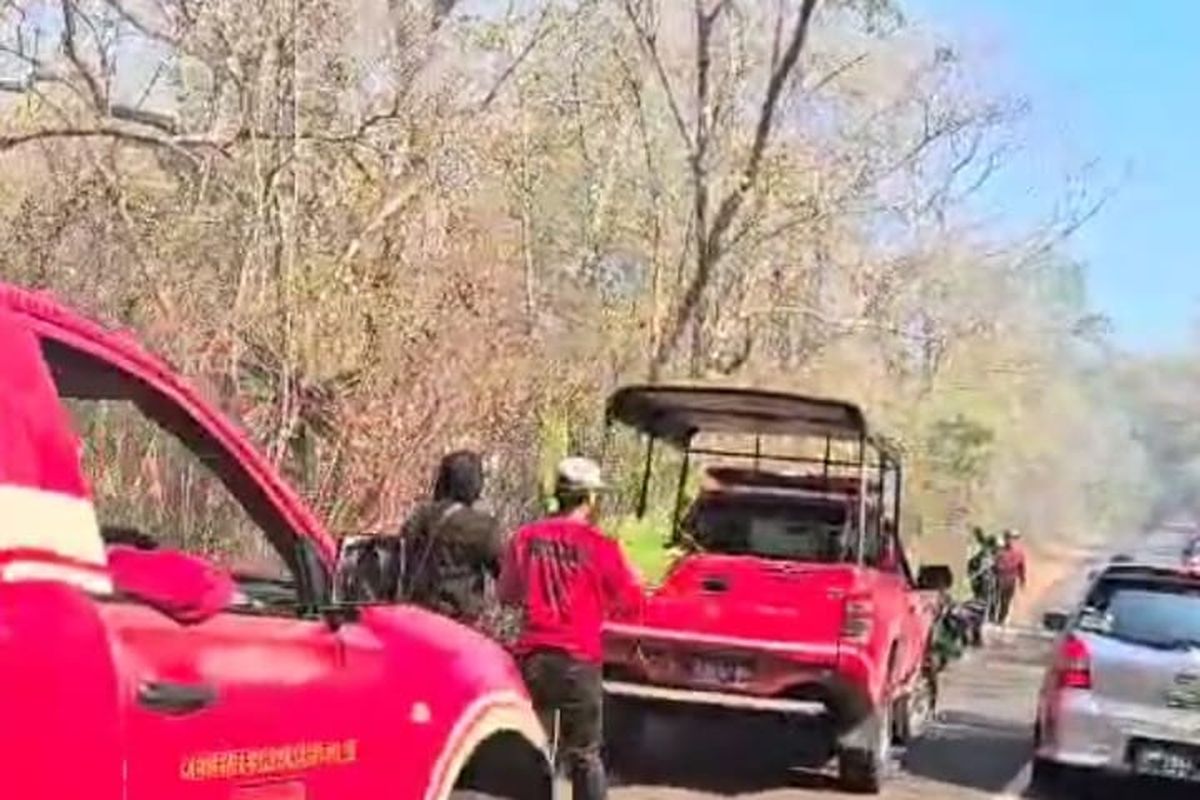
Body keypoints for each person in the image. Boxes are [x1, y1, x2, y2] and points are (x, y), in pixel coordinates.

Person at [499, 456, 644, 800]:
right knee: (584, 755)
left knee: (533, 748)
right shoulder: (601, 546)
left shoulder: (526, 537)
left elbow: (507, 594)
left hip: (533, 657)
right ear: (591, 498)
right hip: (579, 660)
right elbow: (630, 602)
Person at [399, 450, 504, 628]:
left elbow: (401, 556)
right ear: (476, 484)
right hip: (460, 625)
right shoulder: (483, 526)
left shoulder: (419, 516)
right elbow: (503, 574)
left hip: (417, 619)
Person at [994, 528, 1027, 626]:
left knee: (1006, 601)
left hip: (1011, 579)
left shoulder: (1019, 552)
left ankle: (1001, 619)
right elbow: (995, 565)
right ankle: (992, 617)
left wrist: (1022, 580)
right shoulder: (999, 551)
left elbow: (1021, 567)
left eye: (1011, 538)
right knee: (996, 599)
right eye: (1007, 538)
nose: (1009, 540)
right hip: (999, 578)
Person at [966, 527, 999, 622]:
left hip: (984, 578)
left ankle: (983, 617)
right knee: (983, 599)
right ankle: (983, 617)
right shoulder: (985, 552)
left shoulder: (988, 553)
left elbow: (984, 566)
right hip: (983, 578)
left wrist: (974, 574)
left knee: (983, 599)